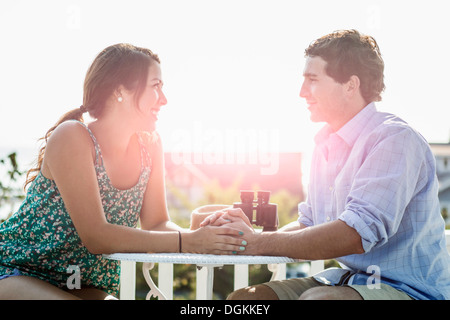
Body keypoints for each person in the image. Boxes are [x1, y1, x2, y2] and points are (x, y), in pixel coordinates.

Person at [202, 29, 450, 300]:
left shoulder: (394, 140)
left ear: (350, 85)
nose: (301, 92)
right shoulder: (325, 145)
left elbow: (354, 235)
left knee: (319, 300)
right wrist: (246, 236)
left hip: (410, 290)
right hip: (352, 280)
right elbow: (308, 225)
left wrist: (257, 243)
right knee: (245, 300)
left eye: (312, 80)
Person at [0, 43, 246, 300]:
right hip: (18, 271)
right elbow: (96, 236)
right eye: (155, 86)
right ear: (121, 91)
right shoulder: (72, 137)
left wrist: (205, 235)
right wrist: (189, 242)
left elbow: (157, 224)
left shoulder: (150, 145)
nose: (164, 99)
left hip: (82, 284)